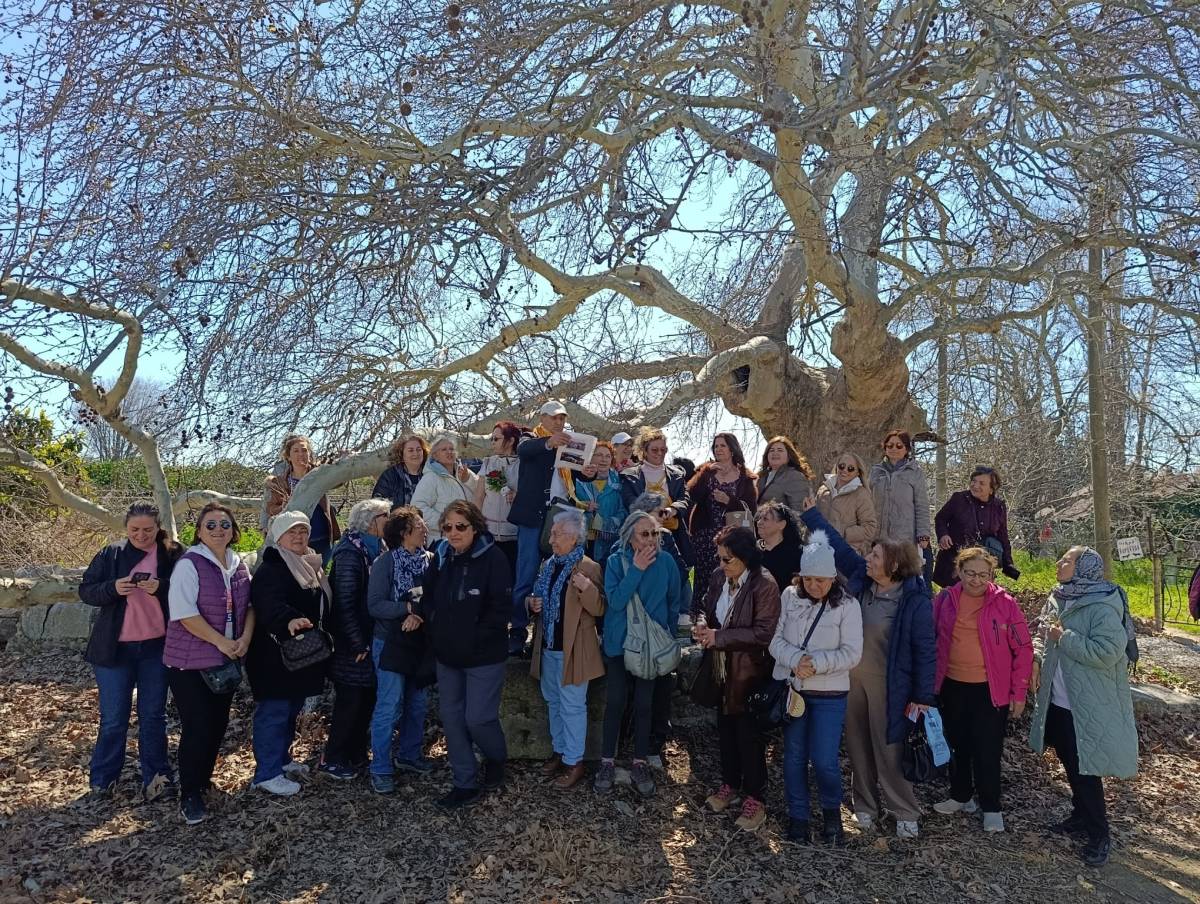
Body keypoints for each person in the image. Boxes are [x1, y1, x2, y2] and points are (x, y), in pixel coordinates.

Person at [800, 498, 935, 838]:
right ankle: (865, 806)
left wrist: (923, 696)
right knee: (858, 744)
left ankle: (904, 809)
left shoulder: (913, 599)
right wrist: (812, 514)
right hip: (851, 681)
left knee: (890, 747)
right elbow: (839, 546)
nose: (868, 559)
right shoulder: (862, 580)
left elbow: (925, 650)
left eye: (875, 556)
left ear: (893, 565)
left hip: (890, 686)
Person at [1028, 547, 1138, 867]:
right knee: (1070, 763)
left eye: (1066, 560)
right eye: (1060, 558)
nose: (1059, 563)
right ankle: (1080, 815)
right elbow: (1042, 632)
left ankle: (1099, 835)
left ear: (1084, 568)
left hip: (1086, 703)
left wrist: (1064, 638)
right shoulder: (1059, 596)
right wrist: (1036, 659)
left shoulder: (1102, 605)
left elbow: (1107, 652)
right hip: (1058, 699)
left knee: (1085, 771)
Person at [411, 500, 512, 809]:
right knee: (452, 720)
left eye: (460, 526)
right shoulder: (440, 558)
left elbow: (500, 609)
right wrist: (436, 629)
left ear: (475, 527)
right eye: (447, 527)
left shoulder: (494, 558)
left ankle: (496, 758)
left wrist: (473, 637)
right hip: (447, 655)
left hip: (484, 655)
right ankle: (464, 783)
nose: (453, 533)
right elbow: (426, 597)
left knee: (478, 718)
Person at [79, 503, 181, 802]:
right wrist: (113, 588)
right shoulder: (111, 554)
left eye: (148, 530)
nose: (141, 535)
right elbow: (86, 590)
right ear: (126, 528)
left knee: (153, 717)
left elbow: (189, 590)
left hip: (156, 648)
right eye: (134, 530)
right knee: (113, 719)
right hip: (114, 650)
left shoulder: (172, 554)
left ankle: (157, 778)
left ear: (158, 527)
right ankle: (102, 781)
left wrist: (160, 587)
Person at [770, 529, 863, 844]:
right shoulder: (788, 597)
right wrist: (796, 659)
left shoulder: (847, 605)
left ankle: (831, 814)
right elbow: (774, 639)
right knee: (794, 757)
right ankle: (798, 816)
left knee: (824, 759)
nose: (814, 586)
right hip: (795, 689)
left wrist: (817, 662)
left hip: (830, 693)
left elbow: (852, 652)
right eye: (808, 580)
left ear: (833, 579)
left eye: (820, 581)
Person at [931, 547, 1033, 833]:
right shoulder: (945, 600)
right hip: (952, 685)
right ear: (959, 572)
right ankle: (961, 796)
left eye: (983, 574)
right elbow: (930, 637)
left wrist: (1019, 692)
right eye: (970, 573)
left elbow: (1023, 649)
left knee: (987, 749)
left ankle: (991, 807)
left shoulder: (1005, 604)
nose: (976, 580)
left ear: (992, 575)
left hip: (990, 689)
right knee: (958, 744)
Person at [164, 504, 254, 825]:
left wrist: (244, 638)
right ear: (200, 531)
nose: (218, 529)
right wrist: (220, 641)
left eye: (225, 524)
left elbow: (250, 607)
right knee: (197, 726)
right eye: (211, 524)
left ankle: (203, 780)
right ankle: (189, 794)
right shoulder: (189, 564)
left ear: (233, 531)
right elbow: (184, 614)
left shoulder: (239, 564)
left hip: (227, 657)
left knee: (217, 724)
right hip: (189, 662)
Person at [695, 527, 781, 832]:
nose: (721, 564)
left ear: (745, 558)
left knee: (748, 735)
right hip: (721, 668)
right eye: (720, 558)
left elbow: (764, 633)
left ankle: (756, 797)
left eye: (727, 559)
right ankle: (729, 784)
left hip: (750, 673)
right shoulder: (720, 577)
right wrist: (703, 627)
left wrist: (720, 636)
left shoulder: (765, 585)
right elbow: (707, 609)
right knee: (725, 729)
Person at [596, 511, 681, 797]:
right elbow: (616, 601)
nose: (651, 539)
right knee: (616, 701)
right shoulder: (614, 562)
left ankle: (639, 761)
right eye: (645, 534)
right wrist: (636, 570)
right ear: (630, 536)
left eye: (655, 533)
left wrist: (667, 632)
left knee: (645, 704)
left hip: (651, 647)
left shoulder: (667, 562)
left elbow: (674, 599)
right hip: (620, 643)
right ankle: (607, 761)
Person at [245, 512, 331, 796]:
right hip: (273, 656)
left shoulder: (310, 563)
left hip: (299, 655)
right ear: (278, 536)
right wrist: (289, 620)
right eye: (291, 532)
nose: (298, 537)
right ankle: (266, 773)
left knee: (290, 710)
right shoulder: (272, 567)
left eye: (303, 531)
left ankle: (281, 761)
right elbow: (267, 603)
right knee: (274, 711)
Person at [528, 510, 605, 790]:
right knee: (553, 701)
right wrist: (531, 604)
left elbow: (599, 609)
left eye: (556, 534)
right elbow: (536, 596)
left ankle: (575, 762)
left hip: (575, 650)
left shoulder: (588, 568)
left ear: (573, 537)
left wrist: (586, 589)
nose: (551, 539)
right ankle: (560, 752)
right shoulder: (548, 565)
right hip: (548, 647)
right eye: (552, 533)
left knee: (572, 706)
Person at [321, 498, 391, 780]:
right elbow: (345, 603)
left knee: (366, 700)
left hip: (371, 638)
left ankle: (355, 753)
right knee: (349, 703)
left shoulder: (379, 548)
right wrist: (356, 642)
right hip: (354, 645)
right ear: (371, 521)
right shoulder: (350, 552)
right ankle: (334, 757)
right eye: (386, 515)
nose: (390, 519)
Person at [365, 506, 435, 793]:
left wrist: (418, 614)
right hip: (390, 642)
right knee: (389, 705)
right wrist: (406, 608)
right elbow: (375, 604)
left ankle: (409, 755)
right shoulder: (386, 562)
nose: (425, 528)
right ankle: (380, 767)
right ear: (405, 532)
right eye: (420, 524)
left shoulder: (432, 560)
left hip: (421, 642)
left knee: (418, 704)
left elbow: (435, 599)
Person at [508, 401, 572, 655]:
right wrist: (549, 443)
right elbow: (525, 450)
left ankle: (546, 632)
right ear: (542, 418)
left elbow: (575, 474)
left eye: (562, 418)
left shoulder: (570, 441)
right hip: (533, 517)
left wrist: (587, 472)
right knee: (525, 575)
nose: (559, 423)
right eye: (554, 418)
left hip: (560, 516)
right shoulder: (530, 438)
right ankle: (518, 631)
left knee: (556, 575)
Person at [687, 433, 758, 590]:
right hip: (705, 536)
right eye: (716, 446)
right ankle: (700, 612)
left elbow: (751, 509)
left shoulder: (745, 476)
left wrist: (729, 501)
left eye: (723, 445)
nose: (718, 449)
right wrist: (705, 473)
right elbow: (692, 495)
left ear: (732, 449)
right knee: (703, 578)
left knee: (728, 576)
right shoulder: (707, 470)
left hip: (732, 537)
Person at [933, 466, 1019, 587]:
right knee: (953, 601)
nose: (975, 485)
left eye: (981, 483)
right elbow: (940, 518)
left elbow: (1003, 536)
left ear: (991, 489)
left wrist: (1008, 564)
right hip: (954, 563)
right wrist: (943, 535)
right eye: (974, 481)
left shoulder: (998, 507)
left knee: (979, 600)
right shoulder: (959, 499)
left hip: (981, 568)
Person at [262, 434, 340, 562]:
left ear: (309, 453)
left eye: (304, 450)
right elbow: (271, 508)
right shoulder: (280, 481)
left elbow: (339, 481)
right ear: (288, 456)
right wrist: (286, 506)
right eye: (296, 451)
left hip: (322, 538)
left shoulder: (320, 474)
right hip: (295, 542)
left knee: (319, 576)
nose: (301, 454)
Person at [869, 431, 931, 580]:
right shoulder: (875, 471)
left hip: (904, 535)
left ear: (907, 449)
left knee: (902, 574)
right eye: (889, 445)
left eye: (899, 445)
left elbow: (922, 505)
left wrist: (923, 533)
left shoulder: (915, 472)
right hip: (878, 534)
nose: (894, 449)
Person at [474, 421, 522, 577]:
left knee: (510, 574)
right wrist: (476, 527)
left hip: (514, 533)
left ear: (511, 440)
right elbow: (479, 496)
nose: (492, 443)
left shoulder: (522, 464)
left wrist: (517, 495)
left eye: (497, 439)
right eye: (491, 439)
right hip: (489, 533)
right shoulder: (488, 463)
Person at [412, 433, 479, 542]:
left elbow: (481, 493)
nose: (449, 452)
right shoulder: (430, 478)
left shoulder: (465, 472)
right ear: (435, 456)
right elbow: (417, 507)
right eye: (444, 450)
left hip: (469, 538)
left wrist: (468, 479)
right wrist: (446, 523)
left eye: (452, 449)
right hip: (443, 540)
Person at [569, 441, 627, 564]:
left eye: (608, 456)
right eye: (599, 455)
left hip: (609, 544)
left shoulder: (620, 483)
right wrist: (582, 505)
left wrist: (606, 524)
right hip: (580, 541)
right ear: (590, 457)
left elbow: (624, 511)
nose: (603, 459)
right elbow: (568, 504)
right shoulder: (578, 481)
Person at [815, 451, 878, 556]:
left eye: (850, 468)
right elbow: (815, 518)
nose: (845, 470)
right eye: (842, 466)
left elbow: (870, 527)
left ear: (858, 472)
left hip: (846, 553)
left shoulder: (861, 494)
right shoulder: (823, 489)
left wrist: (844, 533)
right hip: (820, 550)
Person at [754, 500, 803, 592]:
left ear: (781, 524)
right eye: (759, 518)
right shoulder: (753, 550)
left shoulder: (796, 553)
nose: (759, 523)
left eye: (765, 519)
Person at [756, 436, 814, 511]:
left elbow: (799, 511)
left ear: (788, 456)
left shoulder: (795, 477)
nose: (775, 453)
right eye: (771, 450)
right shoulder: (761, 477)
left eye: (780, 450)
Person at [372, 435, 430, 509]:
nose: (415, 453)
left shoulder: (430, 474)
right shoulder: (390, 475)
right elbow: (377, 503)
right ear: (402, 454)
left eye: (419, 449)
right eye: (410, 450)